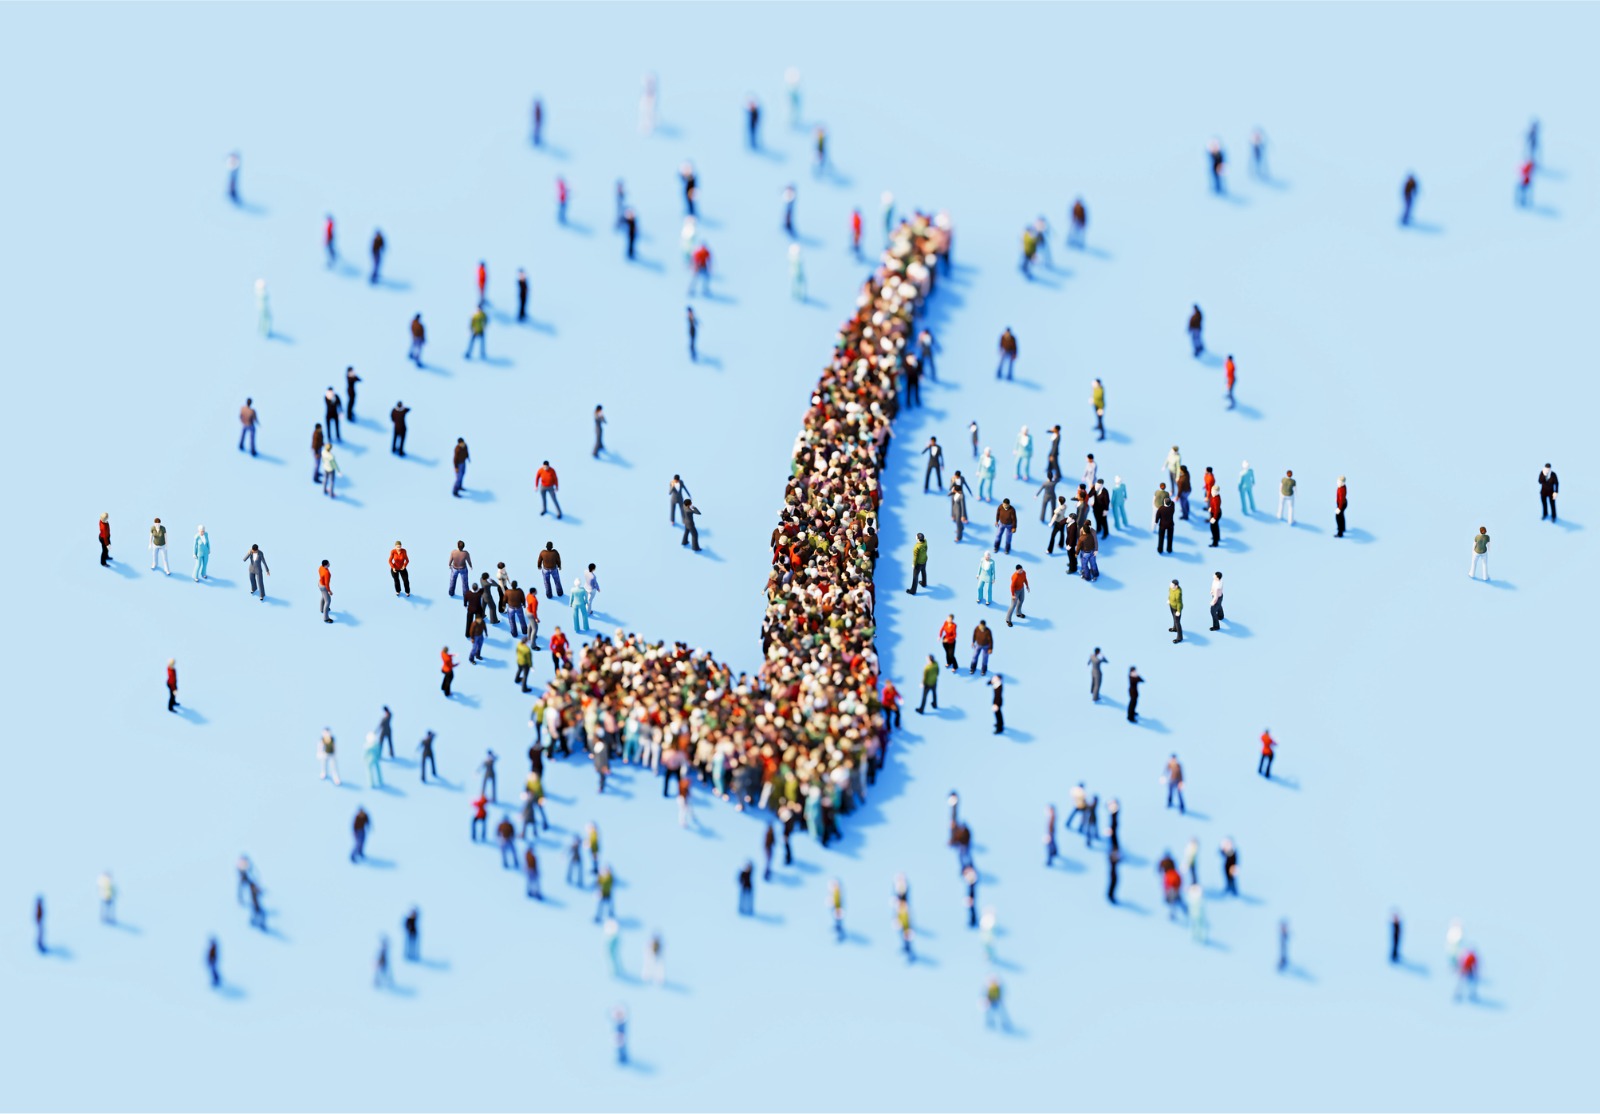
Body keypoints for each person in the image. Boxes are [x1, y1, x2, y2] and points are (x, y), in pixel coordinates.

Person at [318, 559, 333, 623]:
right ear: (326, 565)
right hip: (324, 586)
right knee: (328, 601)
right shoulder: (327, 573)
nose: (329, 563)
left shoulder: (320, 567)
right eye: (328, 563)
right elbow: (327, 583)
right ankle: (326, 618)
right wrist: (329, 591)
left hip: (319, 584)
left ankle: (322, 609)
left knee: (323, 596)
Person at [1168, 579, 1184, 643]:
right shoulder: (1170, 588)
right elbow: (1170, 595)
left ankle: (1179, 637)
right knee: (1174, 618)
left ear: (1176, 586)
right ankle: (1174, 628)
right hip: (1171, 606)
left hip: (1176, 608)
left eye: (1172, 585)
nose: (1170, 585)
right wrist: (1169, 600)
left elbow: (1179, 603)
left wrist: (1178, 611)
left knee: (1177, 622)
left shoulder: (1178, 593)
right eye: (1171, 584)